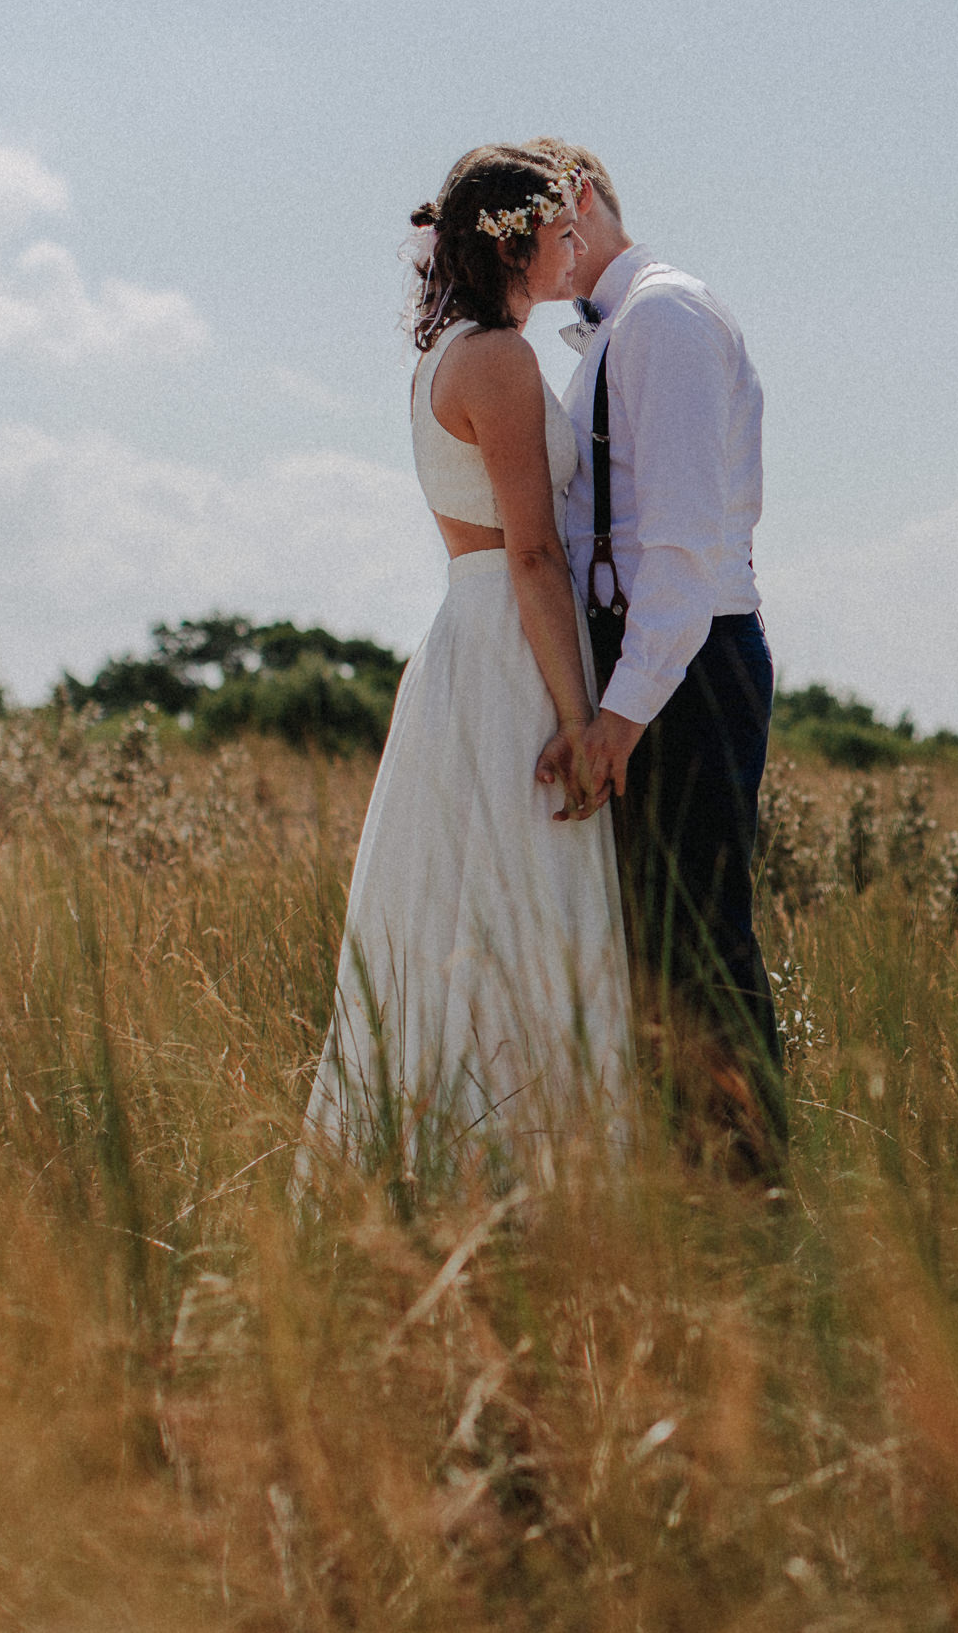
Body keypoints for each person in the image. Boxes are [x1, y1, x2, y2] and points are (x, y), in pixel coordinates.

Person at [304, 145, 633, 1189]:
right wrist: (584, 720)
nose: (569, 246)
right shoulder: (496, 358)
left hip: (471, 624)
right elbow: (534, 550)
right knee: (519, 899)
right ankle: (520, 1176)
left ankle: (443, 1167)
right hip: (509, 639)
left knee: (462, 901)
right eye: (557, 228)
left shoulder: (443, 354)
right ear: (515, 236)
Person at [534, 139, 784, 1177]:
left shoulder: (666, 317)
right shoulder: (615, 332)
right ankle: (690, 1195)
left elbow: (679, 547)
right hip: (645, 660)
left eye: (527, 220)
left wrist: (623, 716)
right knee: (651, 954)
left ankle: (748, 1205)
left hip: (686, 664)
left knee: (697, 953)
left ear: (578, 201)